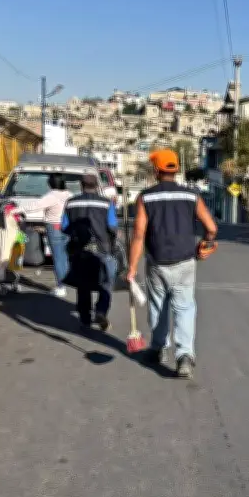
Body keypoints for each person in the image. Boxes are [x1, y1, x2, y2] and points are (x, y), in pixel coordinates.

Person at [126, 149, 217, 379]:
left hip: (158, 263)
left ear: (156, 171)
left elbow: (138, 234)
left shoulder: (146, 197)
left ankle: (158, 348)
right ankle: (184, 356)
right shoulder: (191, 196)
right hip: (186, 262)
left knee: (158, 306)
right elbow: (212, 228)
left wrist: (132, 268)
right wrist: (205, 245)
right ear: (175, 169)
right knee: (184, 308)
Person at [62, 173, 119, 330]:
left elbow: (64, 227)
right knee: (106, 283)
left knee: (83, 284)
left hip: (79, 250)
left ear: (81, 185)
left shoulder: (70, 203)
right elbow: (112, 226)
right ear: (97, 186)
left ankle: (85, 318)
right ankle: (101, 310)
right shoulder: (106, 204)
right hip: (103, 249)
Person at [18, 174, 73, 297]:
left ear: (51, 184)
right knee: (64, 257)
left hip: (54, 227)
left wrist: (16, 210)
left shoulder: (52, 196)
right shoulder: (69, 195)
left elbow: (34, 206)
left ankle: (61, 286)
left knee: (58, 258)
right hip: (67, 227)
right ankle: (66, 282)